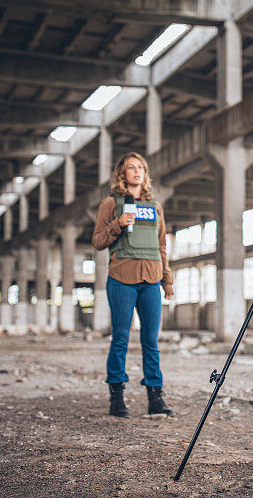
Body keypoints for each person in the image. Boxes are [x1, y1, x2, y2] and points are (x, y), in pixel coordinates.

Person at [92, 151, 174, 418]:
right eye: (131, 168)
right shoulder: (111, 203)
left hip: (151, 279)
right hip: (121, 279)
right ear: (122, 174)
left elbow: (162, 246)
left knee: (151, 341)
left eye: (141, 167)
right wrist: (117, 224)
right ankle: (117, 398)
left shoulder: (155, 207)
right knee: (121, 339)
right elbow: (97, 242)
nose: (137, 171)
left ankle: (155, 398)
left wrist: (167, 282)